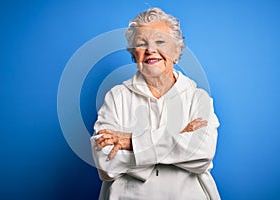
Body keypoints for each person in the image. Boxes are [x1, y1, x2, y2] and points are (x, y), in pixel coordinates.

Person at [91, 7, 220, 200]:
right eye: (142, 44)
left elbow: (202, 154)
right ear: (134, 55)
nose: (151, 50)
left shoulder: (198, 98)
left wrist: (132, 143)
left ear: (177, 51)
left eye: (160, 41)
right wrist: (178, 141)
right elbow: (106, 164)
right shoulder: (116, 97)